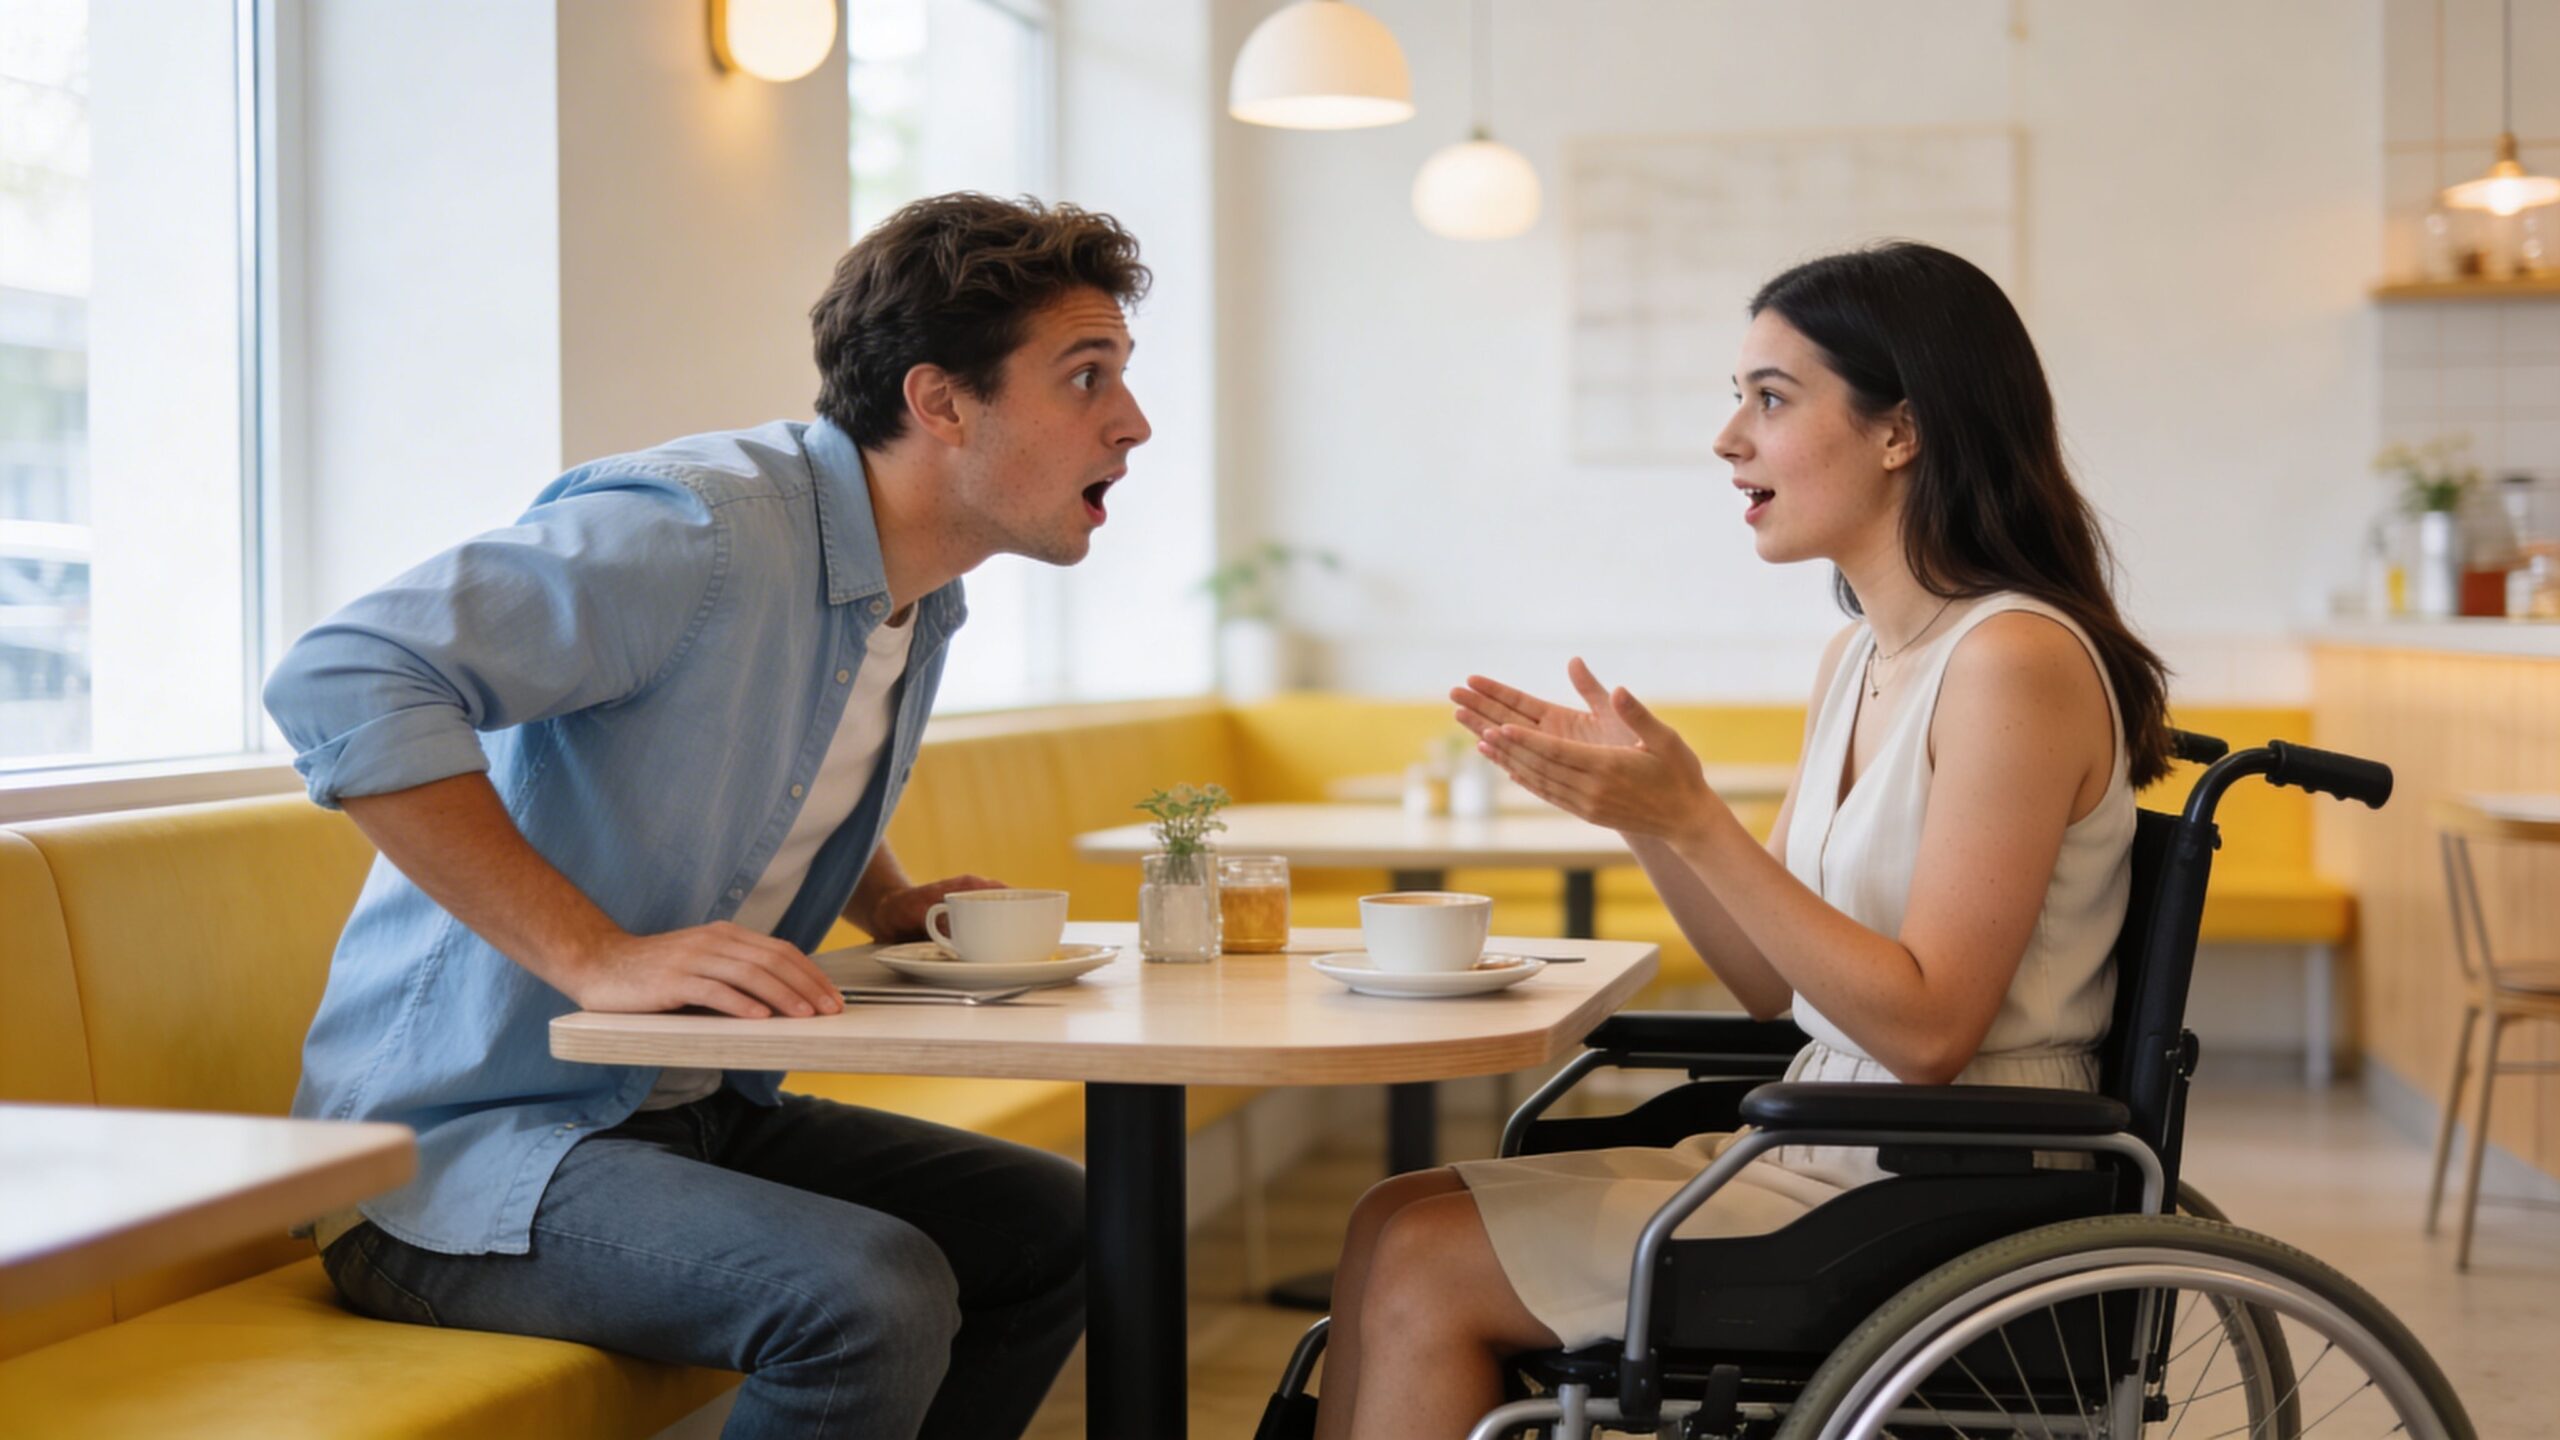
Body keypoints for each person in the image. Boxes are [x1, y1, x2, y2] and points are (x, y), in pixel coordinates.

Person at [262, 193, 1153, 1440]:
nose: (1133, 422)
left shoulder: (920, 588)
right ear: (941, 401)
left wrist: (883, 896)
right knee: (869, 1296)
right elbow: (340, 672)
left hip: (688, 1115)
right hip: (455, 1155)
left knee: (1063, 1229)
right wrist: (594, 958)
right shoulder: (702, 532)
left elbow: (770, 764)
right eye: (1085, 377)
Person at [1309, 241, 2174, 1439]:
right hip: (1836, 1140)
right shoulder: (1861, 656)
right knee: (1389, 1218)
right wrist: (1647, 818)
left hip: (1956, 1170)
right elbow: (1770, 983)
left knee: (1424, 1260)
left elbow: (1927, 1032)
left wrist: (1695, 820)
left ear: (1898, 432)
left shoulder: (2012, 663)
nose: (1729, 440)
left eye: (1770, 399)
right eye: (1737, 400)